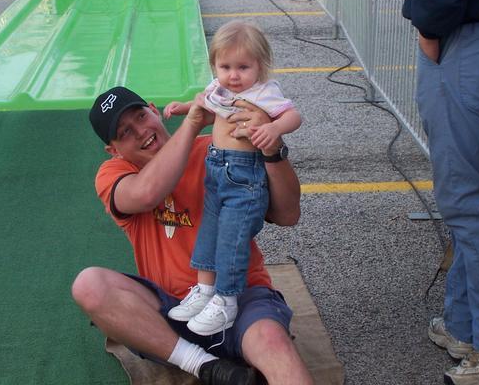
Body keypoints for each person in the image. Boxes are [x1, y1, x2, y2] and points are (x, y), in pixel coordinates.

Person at [71, 85, 313, 385]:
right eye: (124, 132)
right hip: (172, 314)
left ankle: (227, 363)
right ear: (114, 150)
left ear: (153, 109)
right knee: (89, 285)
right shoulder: (112, 172)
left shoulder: (217, 148)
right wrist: (192, 122)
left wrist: (272, 150)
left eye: (140, 116)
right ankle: (206, 366)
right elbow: (146, 194)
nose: (140, 131)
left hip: (239, 297)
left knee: (273, 343)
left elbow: (288, 215)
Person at [162, 20, 302, 336]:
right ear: (215, 66)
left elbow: (293, 115)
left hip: (245, 177)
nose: (233, 75)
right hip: (216, 173)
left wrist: (274, 128)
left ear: (260, 66)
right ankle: (205, 291)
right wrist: (185, 107)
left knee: (232, 238)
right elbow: (209, 108)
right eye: (225, 66)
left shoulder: (264, 92)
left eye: (243, 67)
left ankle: (227, 300)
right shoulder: (219, 88)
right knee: (209, 233)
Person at [403, 0, 479, 384]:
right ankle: (466, 326)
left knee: (468, 202)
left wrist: (428, 26)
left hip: (469, 42)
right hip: (476, 35)